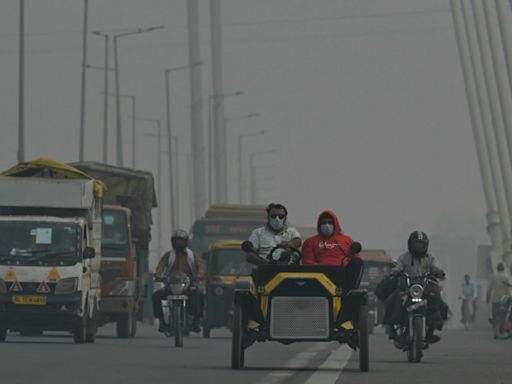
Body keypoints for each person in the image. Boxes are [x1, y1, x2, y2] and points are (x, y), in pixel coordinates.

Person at [383, 231, 446, 345]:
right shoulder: (404, 257)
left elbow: (436, 268)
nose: (419, 247)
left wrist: (439, 273)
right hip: (407, 287)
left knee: (441, 304)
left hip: (425, 288)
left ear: (426, 245)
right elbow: (398, 267)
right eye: (416, 244)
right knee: (390, 301)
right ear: (410, 244)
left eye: (421, 244)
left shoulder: (430, 258)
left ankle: (431, 330)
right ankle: (392, 330)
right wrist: (395, 272)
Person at [152, 229, 205, 333]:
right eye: (176, 241)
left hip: (188, 284)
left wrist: (199, 276)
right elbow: (160, 266)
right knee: (155, 296)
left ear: (186, 242)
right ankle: (162, 322)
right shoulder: (169, 255)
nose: (178, 243)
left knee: (200, 296)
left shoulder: (192, 255)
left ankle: (196, 321)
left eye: (181, 240)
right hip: (171, 285)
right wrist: (158, 276)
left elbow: (201, 266)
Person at [302, 210, 363, 294]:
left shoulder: (347, 240)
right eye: (324, 222)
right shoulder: (310, 242)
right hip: (320, 275)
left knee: (358, 262)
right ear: (319, 225)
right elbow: (307, 262)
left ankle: (348, 292)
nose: (327, 225)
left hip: (343, 275)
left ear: (335, 224)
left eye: (330, 222)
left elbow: (356, 258)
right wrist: (324, 268)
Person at [486, 262, 511, 334]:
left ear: (497, 268)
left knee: (495, 313)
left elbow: (489, 288)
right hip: (504, 299)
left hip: (495, 298)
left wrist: (487, 297)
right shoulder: (506, 277)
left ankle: (496, 325)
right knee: (503, 313)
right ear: (503, 269)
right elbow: (508, 290)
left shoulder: (493, 276)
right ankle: (500, 326)